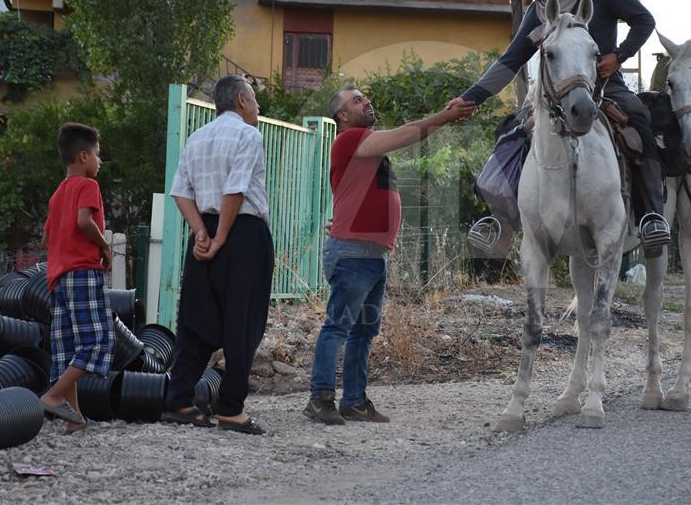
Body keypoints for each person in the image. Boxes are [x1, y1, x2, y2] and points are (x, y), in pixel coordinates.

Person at [448, 0, 670, 257]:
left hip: (606, 88)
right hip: (553, 97)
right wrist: (470, 98)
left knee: (639, 120)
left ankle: (651, 216)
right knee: (509, 132)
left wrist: (619, 55)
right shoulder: (539, 12)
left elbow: (645, 20)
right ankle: (498, 220)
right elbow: (509, 62)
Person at [303, 87, 475, 425]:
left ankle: (353, 401)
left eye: (365, 96)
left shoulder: (366, 147)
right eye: (356, 100)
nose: (365, 100)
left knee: (363, 331)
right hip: (354, 253)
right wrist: (445, 116)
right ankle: (320, 399)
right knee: (338, 326)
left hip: (371, 254)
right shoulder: (350, 139)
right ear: (343, 116)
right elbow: (407, 133)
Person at [160, 75, 275, 436]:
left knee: (195, 319)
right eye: (255, 101)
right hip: (241, 234)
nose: (257, 109)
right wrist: (223, 236)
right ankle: (230, 409)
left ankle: (178, 400)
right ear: (242, 100)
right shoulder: (248, 135)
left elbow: (179, 191)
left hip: (203, 233)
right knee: (242, 320)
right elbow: (236, 189)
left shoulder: (197, 137)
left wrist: (201, 233)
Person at [39, 122, 115, 433]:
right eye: (98, 155)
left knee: (69, 346)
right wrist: (105, 246)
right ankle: (54, 396)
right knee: (96, 340)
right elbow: (85, 222)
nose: (99, 161)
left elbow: (46, 238)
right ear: (83, 156)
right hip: (83, 272)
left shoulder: (57, 194)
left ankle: (75, 420)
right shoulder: (88, 186)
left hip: (57, 277)